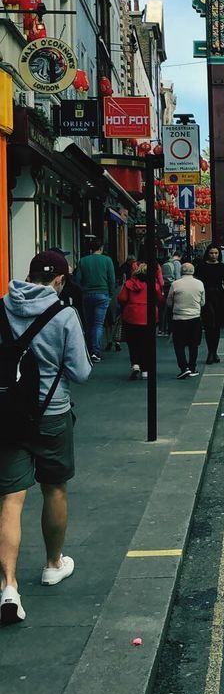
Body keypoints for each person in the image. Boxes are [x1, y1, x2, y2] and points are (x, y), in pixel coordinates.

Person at [0, 251, 92, 625]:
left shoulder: (2, 308)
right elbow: (82, 372)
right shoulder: (64, 314)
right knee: (54, 488)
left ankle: (8, 586)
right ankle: (53, 564)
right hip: (52, 413)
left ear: (29, 274)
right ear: (59, 281)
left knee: (10, 498)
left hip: (8, 415)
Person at [118, 263, 163, 380]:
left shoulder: (129, 284)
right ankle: (146, 369)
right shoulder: (154, 285)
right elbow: (159, 299)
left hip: (131, 316)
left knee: (133, 343)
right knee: (147, 344)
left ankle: (136, 364)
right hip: (149, 316)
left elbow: (122, 298)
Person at [74, 239, 116, 362]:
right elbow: (111, 278)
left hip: (87, 294)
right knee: (98, 324)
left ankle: (88, 350)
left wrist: (83, 290)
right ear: (101, 248)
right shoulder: (107, 260)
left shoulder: (83, 261)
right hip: (102, 294)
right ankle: (95, 352)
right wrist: (110, 293)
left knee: (89, 324)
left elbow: (77, 279)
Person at [195, 244, 224, 363]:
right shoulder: (201, 266)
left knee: (216, 326)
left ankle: (214, 352)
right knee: (209, 325)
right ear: (208, 253)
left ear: (219, 254)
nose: (214, 255)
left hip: (219, 296)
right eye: (212, 253)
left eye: (216, 253)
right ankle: (210, 353)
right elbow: (196, 283)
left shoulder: (222, 266)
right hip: (206, 296)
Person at [167, 262, 205, 378]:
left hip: (179, 318)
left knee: (179, 345)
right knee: (194, 344)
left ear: (181, 271)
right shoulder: (199, 284)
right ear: (193, 271)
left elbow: (169, 302)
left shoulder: (175, 284)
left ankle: (184, 368)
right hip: (195, 318)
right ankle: (192, 367)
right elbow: (203, 302)